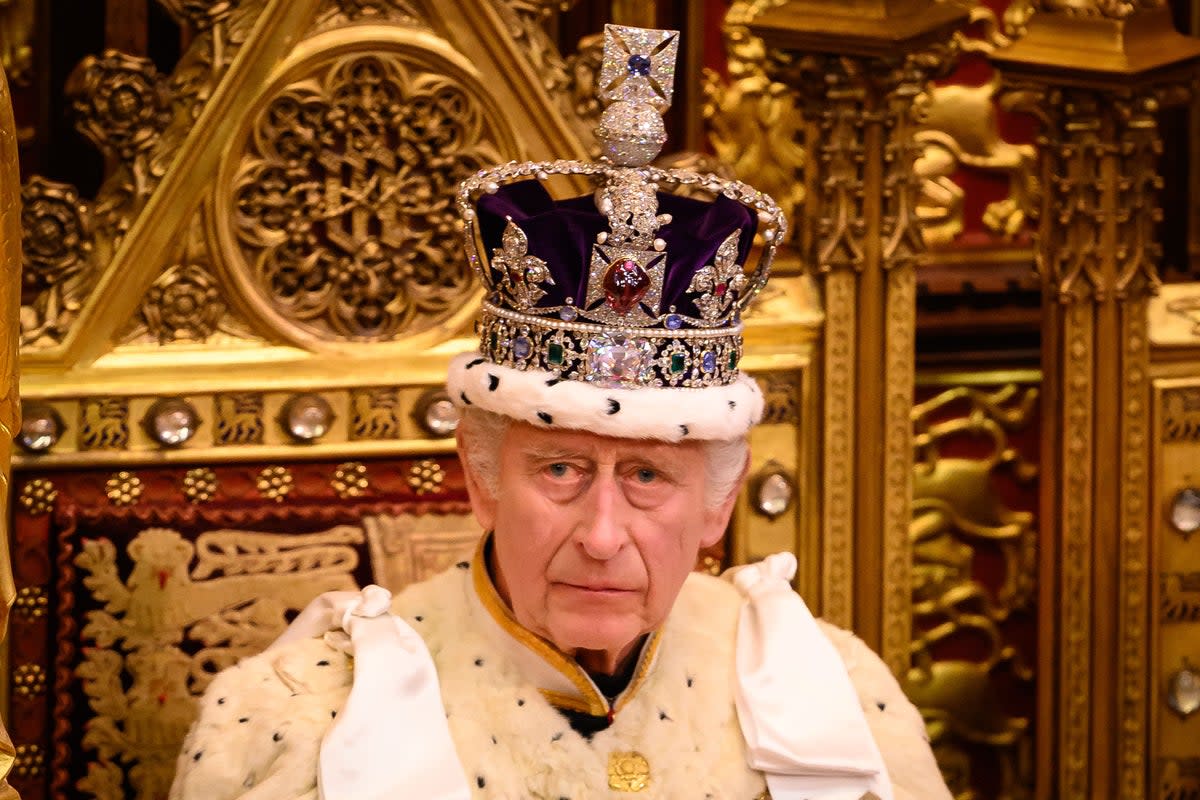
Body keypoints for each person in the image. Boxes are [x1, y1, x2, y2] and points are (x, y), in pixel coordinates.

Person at [169, 24, 952, 800]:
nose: (603, 536)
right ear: (481, 482)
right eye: (561, 470)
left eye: (647, 475)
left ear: (720, 502)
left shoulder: (833, 694)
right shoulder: (302, 721)